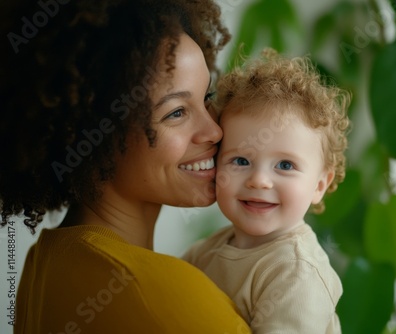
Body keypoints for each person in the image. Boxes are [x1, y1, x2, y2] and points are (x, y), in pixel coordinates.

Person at [0, 1, 251, 333]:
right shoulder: (163, 296)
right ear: (93, 131)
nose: (214, 131)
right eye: (176, 112)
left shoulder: (44, 265)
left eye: (207, 96)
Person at [183, 49, 351, 333]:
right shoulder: (210, 249)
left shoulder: (297, 273)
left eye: (285, 164)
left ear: (319, 185)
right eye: (240, 160)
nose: (259, 181)